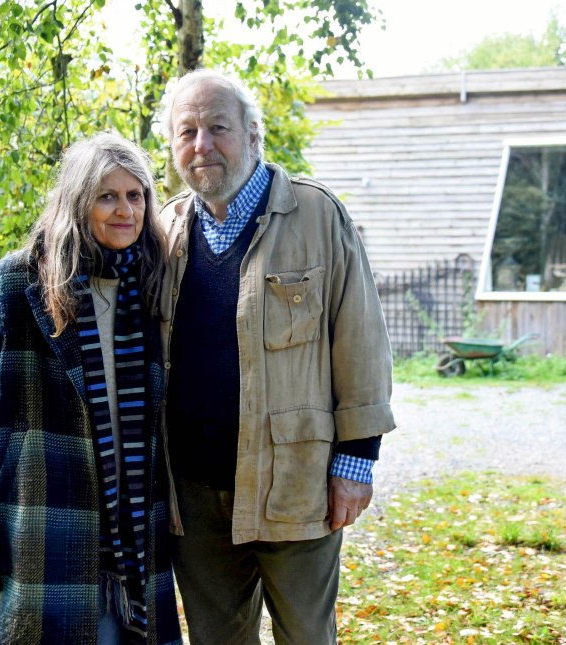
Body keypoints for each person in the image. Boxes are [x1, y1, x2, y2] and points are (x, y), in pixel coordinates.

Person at [157, 69, 396, 644]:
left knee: (307, 636)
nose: (202, 146)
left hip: (295, 483)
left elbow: (360, 342)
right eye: (186, 132)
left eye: (218, 127)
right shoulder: (162, 229)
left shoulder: (316, 216)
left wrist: (356, 461)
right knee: (217, 638)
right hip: (194, 495)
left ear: (253, 133)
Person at [0, 132, 182, 645]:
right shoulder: (15, 283)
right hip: (41, 520)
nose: (126, 210)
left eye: (136, 195)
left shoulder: (155, 283)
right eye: (108, 196)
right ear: (78, 202)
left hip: (135, 529)